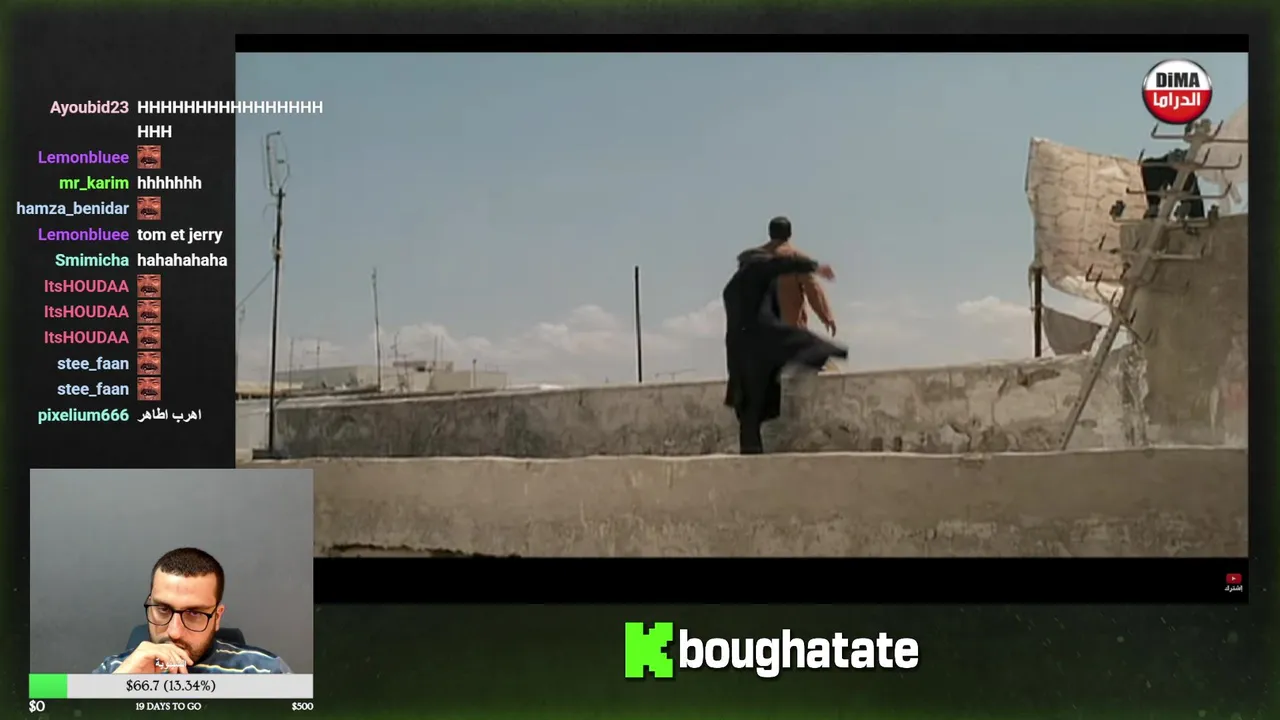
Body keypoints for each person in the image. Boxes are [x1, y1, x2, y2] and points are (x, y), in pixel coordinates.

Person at [723, 221, 848, 454]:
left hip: (742, 349)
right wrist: (827, 316)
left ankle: (752, 455)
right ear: (789, 233)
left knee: (749, 410)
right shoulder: (775, 259)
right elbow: (811, 287)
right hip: (779, 337)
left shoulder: (738, 277)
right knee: (820, 358)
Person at [92, 547, 292, 674]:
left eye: (194, 613)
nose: (174, 632)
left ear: (217, 617)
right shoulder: (114, 670)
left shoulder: (265, 672)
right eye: (163, 609)